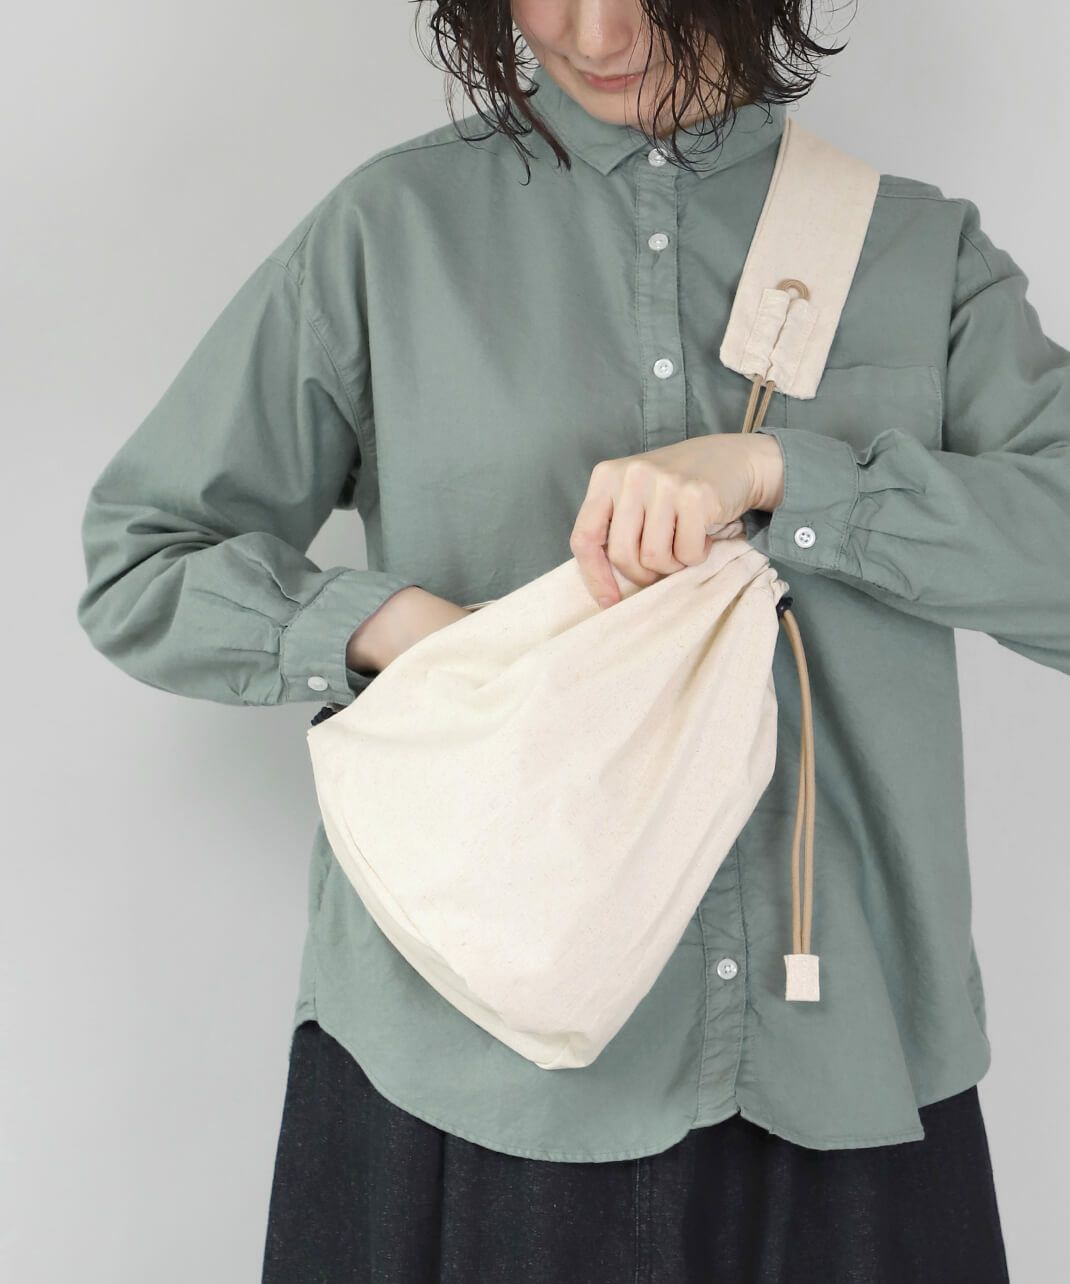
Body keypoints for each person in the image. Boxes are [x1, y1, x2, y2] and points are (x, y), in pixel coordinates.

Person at [78, 0, 1070, 1279]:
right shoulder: (392, 233)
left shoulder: (911, 253)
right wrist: (396, 630)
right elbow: (144, 555)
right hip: (472, 1061)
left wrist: (782, 474)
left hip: (841, 1061)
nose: (594, 33)